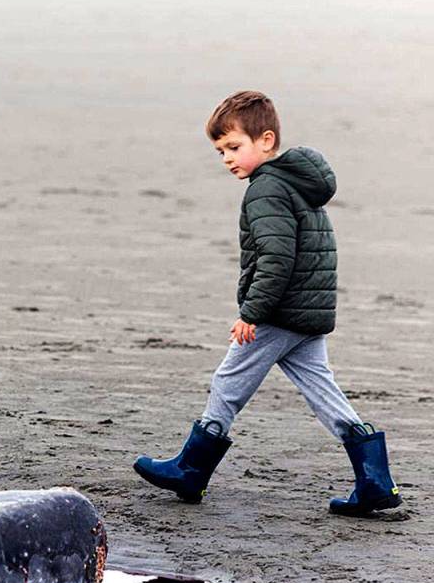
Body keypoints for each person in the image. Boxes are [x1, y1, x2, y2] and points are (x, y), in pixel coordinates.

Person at [133, 91, 402, 517]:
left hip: (279, 312)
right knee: (323, 392)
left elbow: (277, 258)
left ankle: (191, 469)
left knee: (228, 382)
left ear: (267, 140)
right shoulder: (298, 184)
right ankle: (376, 482)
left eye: (234, 147)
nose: (226, 158)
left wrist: (251, 314)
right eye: (220, 151)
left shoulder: (266, 191)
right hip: (308, 313)